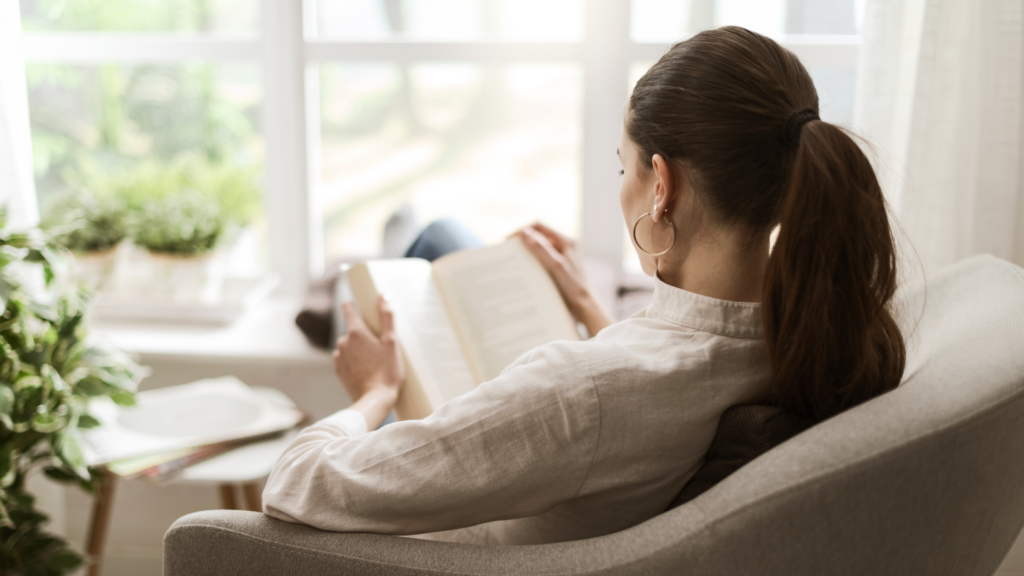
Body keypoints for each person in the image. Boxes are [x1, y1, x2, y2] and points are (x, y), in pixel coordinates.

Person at [262, 26, 905, 545]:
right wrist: (591, 309)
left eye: (621, 166)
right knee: (446, 240)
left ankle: (398, 245)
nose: (620, 183)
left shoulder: (580, 389)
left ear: (662, 186)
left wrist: (373, 395)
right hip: (578, 436)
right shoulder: (816, 331)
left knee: (433, 244)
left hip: (483, 500)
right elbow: (665, 385)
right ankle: (410, 240)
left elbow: (297, 483)